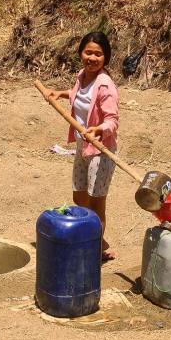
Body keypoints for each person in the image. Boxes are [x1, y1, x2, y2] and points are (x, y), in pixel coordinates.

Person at [45, 31, 119, 262]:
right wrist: (62, 93)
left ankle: (95, 250)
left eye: (98, 54)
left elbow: (112, 121)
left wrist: (99, 129)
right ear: (81, 53)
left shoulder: (105, 85)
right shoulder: (82, 76)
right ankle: (93, 240)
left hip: (101, 150)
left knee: (97, 203)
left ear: (105, 58)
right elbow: (81, 96)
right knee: (79, 197)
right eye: (89, 52)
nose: (93, 58)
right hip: (82, 146)